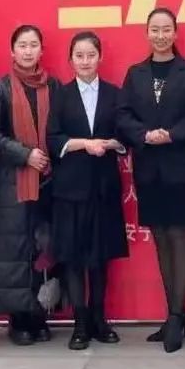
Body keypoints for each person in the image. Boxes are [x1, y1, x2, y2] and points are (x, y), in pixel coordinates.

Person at [116, 7, 185, 353]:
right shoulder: (136, 73)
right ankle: (177, 313)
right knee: (160, 237)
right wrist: (144, 135)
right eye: (154, 30)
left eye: (166, 29)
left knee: (179, 235)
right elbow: (122, 115)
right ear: (147, 33)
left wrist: (172, 134)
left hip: (181, 167)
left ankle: (174, 316)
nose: (160, 36)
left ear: (175, 33)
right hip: (148, 168)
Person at [0, 25, 61, 345]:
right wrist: (26, 155)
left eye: (33, 45)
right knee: (14, 250)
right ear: (12, 51)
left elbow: (63, 127)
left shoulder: (54, 86)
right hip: (12, 183)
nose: (28, 51)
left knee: (43, 248)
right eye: (22, 45)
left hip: (49, 181)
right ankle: (18, 320)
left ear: (42, 50)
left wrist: (48, 158)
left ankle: (39, 315)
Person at [46, 31, 129, 350]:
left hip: (104, 187)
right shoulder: (61, 95)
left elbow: (126, 136)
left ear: (100, 57)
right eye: (79, 56)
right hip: (70, 189)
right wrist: (84, 144)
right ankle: (79, 323)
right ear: (71, 60)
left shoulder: (114, 94)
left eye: (90, 55)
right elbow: (53, 138)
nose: (85, 61)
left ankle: (99, 319)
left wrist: (111, 144)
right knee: (73, 257)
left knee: (100, 257)